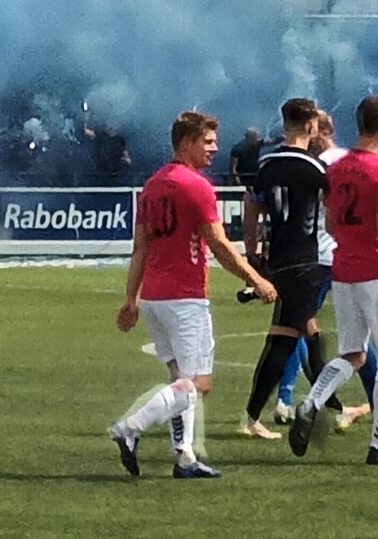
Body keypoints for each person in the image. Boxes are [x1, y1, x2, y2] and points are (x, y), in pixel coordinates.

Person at [108, 111, 275, 480]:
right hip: (185, 299)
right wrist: (256, 278)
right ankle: (129, 428)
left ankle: (184, 458)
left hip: (154, 298)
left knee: (180, 380)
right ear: (187, 142)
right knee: (198, 384)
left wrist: (131, 299)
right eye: (208, 142)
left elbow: (141, 249)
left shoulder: (152, 186)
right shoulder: (195, 186)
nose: (214, 149)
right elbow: (218, 243)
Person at [289, 95, 378, 466]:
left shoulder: (338, 167)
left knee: (354, 354)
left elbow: (330, 222)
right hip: (377, 273)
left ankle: (312, 402)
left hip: (344, 270)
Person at [238, 98, 344, 440]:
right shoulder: (315, 169)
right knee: (300, 337)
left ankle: (324, 408)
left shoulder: (266, 164)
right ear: (311, 126)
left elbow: (251, 209)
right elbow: (334, 213)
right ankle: (325, 409)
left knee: (294, 337)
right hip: (304, 261)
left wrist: (252, 254)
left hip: (277, 259)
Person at [275, 111, 378, 429]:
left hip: (320, 255)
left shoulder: (320, 164)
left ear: (322, 130)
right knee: (358, 336)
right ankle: (376, 400)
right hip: (339, 255)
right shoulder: (344, 161)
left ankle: (287, 399)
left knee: (295, 326)